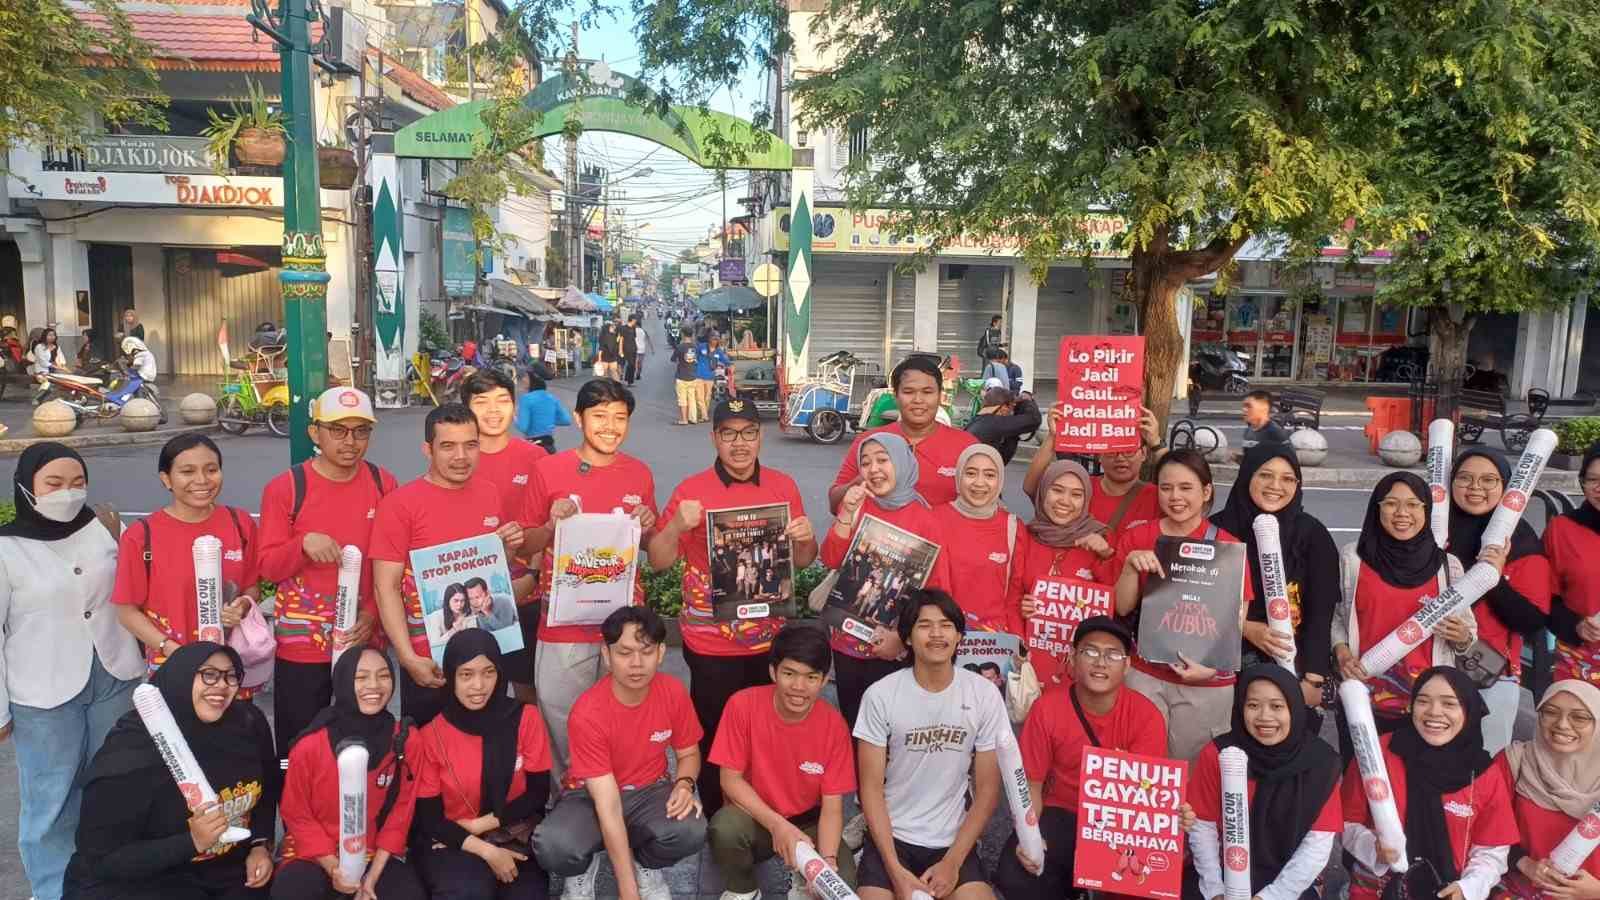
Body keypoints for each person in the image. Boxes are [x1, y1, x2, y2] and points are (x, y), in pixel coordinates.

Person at [646, 398, 817, 815]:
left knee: (766, 730)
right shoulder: (691, 490)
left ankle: (761, 812)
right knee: (714, 731)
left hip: (767, 640)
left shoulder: (783, 485)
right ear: (714, 438)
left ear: (760, 437)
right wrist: (675, 527)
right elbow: (659, 560)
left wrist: (805, 537)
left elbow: (803, 561)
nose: (739, 443)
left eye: (748, 433)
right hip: (711, 643)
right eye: (729, 433)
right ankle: (720, 816)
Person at [0, 443, 145, 900]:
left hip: (115, 675)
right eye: (54, 484)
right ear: (27, 488)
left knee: (115, 789)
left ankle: (109, 883)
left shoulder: (106, 528)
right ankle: (53, 890)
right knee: (52, 802)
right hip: (42, 690)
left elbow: (138, 589)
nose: (68, 493)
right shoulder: (6, 548)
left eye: (77, 483)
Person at [63, 643, 279, 900]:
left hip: (224, 870)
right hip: (144, 879)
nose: (222, 685)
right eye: (209, 674)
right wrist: (191, 842)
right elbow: (102, 859)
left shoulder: (247, 724)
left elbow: (268, 786)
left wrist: (259, 846)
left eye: (231, 675)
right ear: (181, 676)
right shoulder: (132, 753)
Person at [523, 379, 658, 781]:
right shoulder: (548, 470)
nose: (610, 426)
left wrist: (650, 525)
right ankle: (570, 808)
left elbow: (651, 545)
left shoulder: (639, 473)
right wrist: (549, 525)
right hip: (563, 627)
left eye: (620, 418)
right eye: (599, 416)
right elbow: (525, 543)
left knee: (624, 728)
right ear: (579, 419)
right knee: (563, 727)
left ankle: (623, 805)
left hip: (624, 630)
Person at [257, 387, 394, 765]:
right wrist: (301, 545)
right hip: (303, 648)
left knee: (364, 742)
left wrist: (372, 616)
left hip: (364, 640)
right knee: (299, 746)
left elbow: (393, 565)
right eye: (338, 430)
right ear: (315, 433)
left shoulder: (385, 485)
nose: (350, 442)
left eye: (361, 431)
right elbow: (267, 566)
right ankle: (299, 819)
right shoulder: (286, 488)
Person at [531, 607, 707, 900]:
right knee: (554, 845)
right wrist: (628, 891)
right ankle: (582, 871)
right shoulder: (588, 713)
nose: (636, 663)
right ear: (606, 654)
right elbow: (608, 804)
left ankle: (644, 865)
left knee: (691, 829)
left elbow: (688, 753)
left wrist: (684, 784)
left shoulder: (673, 692)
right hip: (590, 796)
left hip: (650, 791)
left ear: (662, 653)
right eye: (624, 652)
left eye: (646, 651)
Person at [369, 404, 527, 727]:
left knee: (487, 748)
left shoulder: (489, 494)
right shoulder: (399, 505)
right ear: (428, 449)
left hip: (485, 656)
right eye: (448, 446)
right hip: (429, 661)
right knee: (427, 752)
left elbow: (491, 569)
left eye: (470, 445)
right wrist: (408, 657)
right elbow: (384, 587)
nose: (461, 456)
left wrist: (507, 549)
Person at [994, 616, 1167, 899]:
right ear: (1072, 659)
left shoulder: (1147, 716)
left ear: (1127, 665)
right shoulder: (1047, 708)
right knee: (1018, 874)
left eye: (1113, 654)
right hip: (1062, 812)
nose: (1101, 662)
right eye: (1090, 651)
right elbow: (1032, 787)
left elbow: (1145, 802)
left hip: (1117, 822)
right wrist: (1029, 839)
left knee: (1139, 886)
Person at [854, 589, 1005, 900]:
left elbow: (988, 789)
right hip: (892, 839)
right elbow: (870, 788)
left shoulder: (984, 694)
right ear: (907, 637)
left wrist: (952, 862)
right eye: (924, 625)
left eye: (946, 624)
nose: (936, 634)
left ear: (960, 635)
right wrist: (894, 870)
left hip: (951, 842)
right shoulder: (880, 695)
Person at [1112, 449, 1252, 760]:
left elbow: (1237, 619)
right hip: (1147, 672)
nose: (1175, 497)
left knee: (1192, 778)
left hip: (1207, 681)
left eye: (1186, 487)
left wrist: (1212, 668)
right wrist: (1130, 567)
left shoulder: (1227, 546)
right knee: (1141, 768)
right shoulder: (1138, 537)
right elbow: (1122, 609)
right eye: (1166, 487)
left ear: (1206, 492)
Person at [1339, 666, 1517, 900]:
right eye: (1423, 701)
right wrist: (1372, 847)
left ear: (1469, 711)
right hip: (1379, 887)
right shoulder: (1378, 754)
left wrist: (1468, 888)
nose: (1434, 712)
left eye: (1449, 704)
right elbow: (1345, 821)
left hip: (1450, 889)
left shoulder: (1483, 773)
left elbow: (1492, 851)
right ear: (1411, 706)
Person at [708, 626, 857, 899]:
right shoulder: (742, 705)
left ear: (824, 680)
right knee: (724, 828)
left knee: (840, 885)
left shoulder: (834, 725)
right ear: (773, 672)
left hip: (808, 823)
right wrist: (777, 825)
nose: (799, 688)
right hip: (755, 816)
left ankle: (803, 879)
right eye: (789, 674)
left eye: (811, 677)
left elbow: (833, 808)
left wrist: (827, 860)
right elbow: (729, 779)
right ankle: (743, 888)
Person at [823, 433, 955, 728]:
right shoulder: (860, 506)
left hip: (894, 650)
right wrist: (847, 512)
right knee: (854, 723)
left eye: (883, 460)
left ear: (902, 463)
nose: (874, 469)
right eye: (866, 463)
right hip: (847, 644)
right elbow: (831, 559)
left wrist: (902, 638)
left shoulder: (926, 520)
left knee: (891, 731)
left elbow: (938, 592)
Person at [273, 648, 424, 900]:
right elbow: (296, 813)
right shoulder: (310, 744)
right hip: (312, 851)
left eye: (383, 675)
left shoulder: (405, 740)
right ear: (342, 681)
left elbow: (401, 812)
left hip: (373, 850)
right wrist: (334, 867)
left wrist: (371, 879)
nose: (374, 686)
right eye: (361, 677)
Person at [412, 630, 552, 900]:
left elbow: (537, 794)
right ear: (450, 676)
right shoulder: (430, 735)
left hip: (512, 831)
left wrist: (480, 825)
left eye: (488, 672)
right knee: (468, 892)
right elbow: (429, 818)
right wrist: (487, 851)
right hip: (452, 839)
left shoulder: (525, 718)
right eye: (466, 674)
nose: (479, 685)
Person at [1333, 473, 1476, 736]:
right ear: (1377, 508)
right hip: (1362, 697)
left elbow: (1468, 633)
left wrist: (1462, 636)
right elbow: (1338, 617)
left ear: (1427, 510)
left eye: (1413, 504)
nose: (1401, 513)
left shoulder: (1448, 565)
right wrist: (1342, 653)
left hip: (1426, 709)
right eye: (1390, 503)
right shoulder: (1353, 558)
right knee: (1359, 775)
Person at [112, 434, 260, 678]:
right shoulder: (142, 536)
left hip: (231, 669)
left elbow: (251, 587)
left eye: (211, 469)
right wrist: (171, 650)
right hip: (173, 666)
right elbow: (127, 612)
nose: (202, 480)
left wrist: (242, 605)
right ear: (166, 479)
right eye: (187, 471)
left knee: (236, 717)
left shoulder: (240, 524)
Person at [1190, 665, 1342, 900]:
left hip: (1287, 879)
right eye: (1253, 705)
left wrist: (1270, 896)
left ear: (1294, 708)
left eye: (1277, 706)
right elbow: (1203, 826)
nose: (1264, 717)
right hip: (1221, 872)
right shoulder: (1219, 753)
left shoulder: (1321, 763)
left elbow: (1317, 844)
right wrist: (1216, 891)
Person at [1209, 442, 1337, 710]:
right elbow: (1197, 601)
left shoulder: (1313, 535)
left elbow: (1320, 615)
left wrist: (1313, 681)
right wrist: (1246, 628)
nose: (1276, 486)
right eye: (1265, 475)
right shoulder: (1216, 530)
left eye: (1288, 478)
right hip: (1220, 669)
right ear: (1247, 476)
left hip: (1292, 671)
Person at [1446, 447, 1551, 753]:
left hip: (1490, 673)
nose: (1475, 488)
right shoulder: (1432, 531)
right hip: (1426, 666)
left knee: (1485, 767)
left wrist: (1493, 577)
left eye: (1488, 480)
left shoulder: (1519, 542)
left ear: (1504, 488)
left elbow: (1531, 620)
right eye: (1465, 478)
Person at [462, 369, 546, 697]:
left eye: (502, 401)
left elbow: (545, 523)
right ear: (467, 407)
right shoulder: (457, 458)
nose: (493, 410)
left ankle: (526, 747)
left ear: (515, 407)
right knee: (475, 688)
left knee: (526, 689)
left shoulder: (536, 458)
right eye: (482, 402)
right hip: (469, 596)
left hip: (524, 591)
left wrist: (533, 576)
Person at [1013, 459, 1118, 686]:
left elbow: (1117, 604)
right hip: (1030, 665)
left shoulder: (1102, 540)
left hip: (1081, 672)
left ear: (1087, 500)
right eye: (1057, 490)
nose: (1065, 501)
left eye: (1076, 494)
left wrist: (1108, 555)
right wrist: (1021, 606)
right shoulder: (1024, 536)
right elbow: (1010, 594)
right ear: (1043, 492)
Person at [830, 356, 979, 511]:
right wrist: (862, 480)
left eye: (927, 392)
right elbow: (834, 504)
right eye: (908, 392)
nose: (918, 400)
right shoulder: (869, 442)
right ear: (895, 396)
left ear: (940, 396)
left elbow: (988, 506)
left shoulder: (967, 446)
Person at [1501, 680, 1600, 898]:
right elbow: (1480, 827)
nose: (1562, 724)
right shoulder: (1516, 761)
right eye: (1550, 712)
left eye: (1580, 717)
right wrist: (1524, 863)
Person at [1024, 403, 1165, 547]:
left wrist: (1157, 444)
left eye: (1129, 451)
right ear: (1099, 456)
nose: (1120, 458)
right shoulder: (1080, 488)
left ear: (1144, 454)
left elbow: (1182, 481)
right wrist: (1053, 437)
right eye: (1111, 451)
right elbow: (1031, 486)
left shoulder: (1158, 497)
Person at [931, 444, 1027, 635]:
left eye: (990, 475)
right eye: (971, 473)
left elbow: (1014, 597)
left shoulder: (1013, 527)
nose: (979, 483)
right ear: (959, 477)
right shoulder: (933, 518)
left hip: (992, 641)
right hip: (941, 636)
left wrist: (1017, 642)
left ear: (999, 480)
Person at [1547, 442, 1600, 684]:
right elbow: (1545, 597)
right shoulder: (1562, 529)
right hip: (1580, 660)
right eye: (1593, 480)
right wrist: (1575, 626)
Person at [964, 387, 1042, 464]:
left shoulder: (975, 422)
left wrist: (1014, 433)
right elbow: (1034, 419)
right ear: (1004, 408)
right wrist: (1026, 400)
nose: (1011, 413)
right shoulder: (994, 422)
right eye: (1012, 408)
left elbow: (1001, 459)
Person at [515, 370, 572, 453]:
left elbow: (523, 427)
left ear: (533, 380)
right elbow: (566, 420)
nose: (523, 379)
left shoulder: (526, 399)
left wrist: (514, 417)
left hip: (533, 447)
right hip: (549, 446)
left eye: (526, 377)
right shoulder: (551, 398)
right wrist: (546, 418)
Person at [1237, 389, 1290, 456]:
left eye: (1249, 406)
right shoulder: (1248, 431)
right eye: (1244, 406)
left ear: (1263, 408)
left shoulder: (1274, 433)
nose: (1244, 409)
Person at [696, 333, 729, 416]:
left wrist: (731, 365)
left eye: (717, 339)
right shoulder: (701, 346)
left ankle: (703, 413)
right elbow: (694, 356)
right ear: (709, 339)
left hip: (710, 377)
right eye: (713, 338)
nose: (715, 340)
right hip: (698, 376)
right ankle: (704, 415)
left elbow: (725, 361)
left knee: (707, 397)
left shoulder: (718, 351)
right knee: (700, 397)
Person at [672, 337, 703, 425]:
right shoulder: (696, 347)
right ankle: (693, 418)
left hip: (682, 376)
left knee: (682, 399)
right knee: (692, 398)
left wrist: (680, 360)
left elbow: (673, 359)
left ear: (683, 335)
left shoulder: (680, 347)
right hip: (693, 376)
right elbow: (698, 359)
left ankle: (684, 419)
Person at [621, 315, 640, 385]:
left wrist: (636, 346)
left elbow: (634, 338)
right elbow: (621, 339)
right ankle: (627, 379)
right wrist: (620, 350)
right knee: (630, 364)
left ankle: (630, 381)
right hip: (626, 349)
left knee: (633, 365)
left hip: (633, 348)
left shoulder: (633, 328)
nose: (636, 321)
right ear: (632, 320)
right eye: (635, 320)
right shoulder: (624, 328)